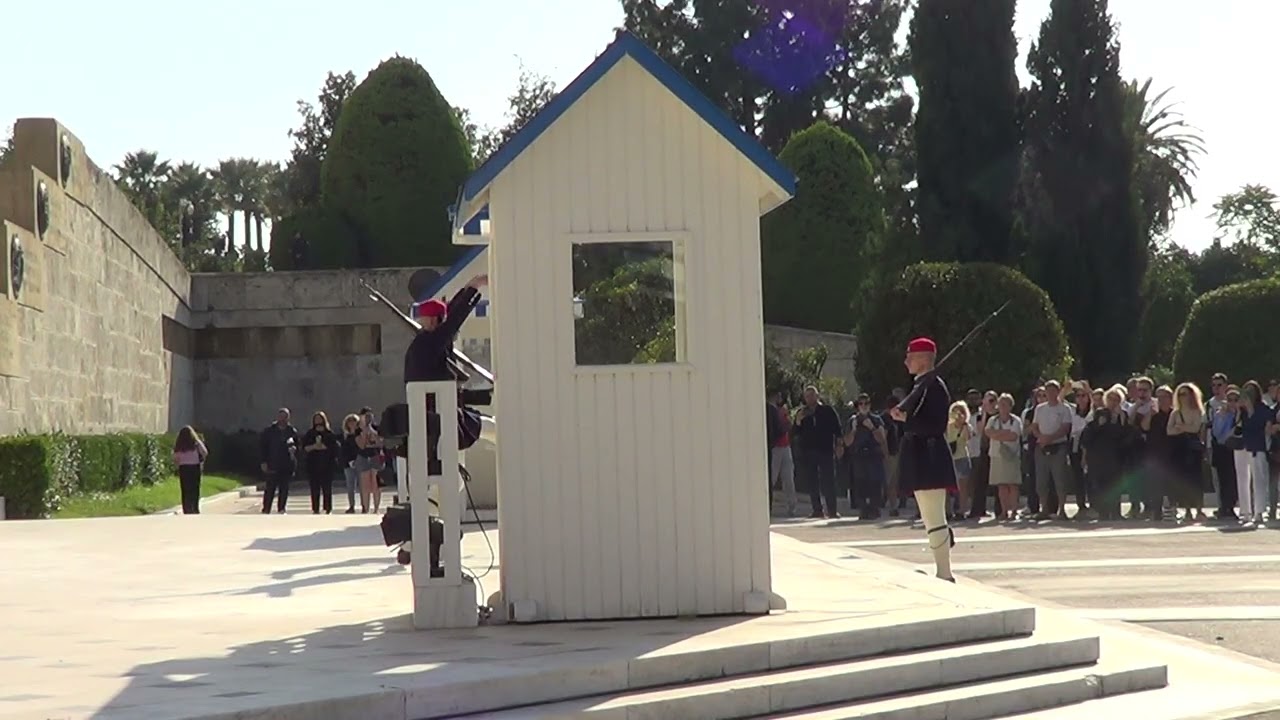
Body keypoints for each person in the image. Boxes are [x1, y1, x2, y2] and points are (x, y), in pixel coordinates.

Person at [889, 337, 957, 582]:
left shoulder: (933, 386)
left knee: (934, 516)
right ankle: (942, 568)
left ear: (924, 359)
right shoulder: (922, 385)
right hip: (921, 456)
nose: (906, 360)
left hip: (929, 455)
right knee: (929, 517)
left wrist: (905, 420)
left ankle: (945, 572)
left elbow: (935, 425)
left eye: (911, 356)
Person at [793, 385, 842, 519]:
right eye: (807, 396)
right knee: (812, 481)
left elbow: (837, 429)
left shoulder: (827, 411)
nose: (809, 399)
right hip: (809, 451)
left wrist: (839, 444)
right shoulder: (802, 413)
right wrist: (798, 421)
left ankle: (832, 510)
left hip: (825, 450)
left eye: (812, 395)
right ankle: (817, 509)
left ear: (817, 396)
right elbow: (795, 432)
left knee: (829, 480)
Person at [842, 393, 887, 520]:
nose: (863, 406)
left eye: (866, 403)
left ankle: (874, 508)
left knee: (875, 483)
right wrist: (854, 430)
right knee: (859, 484)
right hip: (858, 456)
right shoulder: (852, 420)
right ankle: (863, 509)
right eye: (861, 404)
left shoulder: (876, 419)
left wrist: (872, 427)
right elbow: (847, 442)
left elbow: (882, 439)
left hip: (873, 455)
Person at [1167, 382, 1207, 523]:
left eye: (1186, 394)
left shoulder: (1198, 411)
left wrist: (1181, 427)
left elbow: (1196, 428)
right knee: (1184, 480)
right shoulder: (1175, 412)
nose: (1183, 397)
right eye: (1181, 394)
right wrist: (1185, 427)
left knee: (1196, 480)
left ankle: (1199, 509)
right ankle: (1188, 510)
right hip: (1180, 449)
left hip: (1194, 449)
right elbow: (1169, 431)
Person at [985, 394, 1023, 522]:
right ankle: (1004, 511)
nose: (1002, 407)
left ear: (1010, 406)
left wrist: (997, 435)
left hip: (1011, 455)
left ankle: (1014, 511)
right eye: (1000, 404)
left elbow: (1013, 436)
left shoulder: (1016, 421)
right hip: (996, 455)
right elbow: (988, 433)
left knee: (1013, 485)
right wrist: (1003, 434)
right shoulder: (993, 420)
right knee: (1001, 485)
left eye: (1005, 404)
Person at [259, 408, 299, 514]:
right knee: (270, 488)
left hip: (286, 464)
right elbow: (263, 447)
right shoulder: (269, 431)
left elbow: (297, 447)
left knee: (284, 488)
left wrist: (294, 451)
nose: (283, 419)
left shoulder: (292, 431)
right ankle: (266, 508)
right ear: (277, 417)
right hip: (272, 463)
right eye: (281, 416)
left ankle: (281, 508)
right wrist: (263, 461)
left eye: (285, 417)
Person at [301, 411, 339, 515]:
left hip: (327, 464)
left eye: (320, 418)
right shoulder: (310, 433)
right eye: (316, 419)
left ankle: (327, 508)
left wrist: (323, 447)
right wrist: (314, 447)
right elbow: (304, 447)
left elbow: (334, 448)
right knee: (314, 487)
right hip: (313, 464)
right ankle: (315, 508)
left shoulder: (329, 434)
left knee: (327, 488)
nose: (318, 421)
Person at [767, 391, 797, 517]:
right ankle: (768, 505)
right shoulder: (771, 410)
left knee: (788, 478)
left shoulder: (782, 410)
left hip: (785, 446)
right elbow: (778, 429)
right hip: (776, 447)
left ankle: (792, 506)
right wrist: (787, 426)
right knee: (772, 478)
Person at [172, 426, 208, 515]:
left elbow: (175, 458)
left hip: (183, 468)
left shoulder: (179, 445)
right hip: (195, 467)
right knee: (195, 488)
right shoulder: (196, 443)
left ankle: (186, 508)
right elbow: (204, 452)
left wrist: (179, 463)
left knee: (185, 489)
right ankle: (194, 507)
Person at [354, 406, 384, 514]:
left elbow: (380, 443)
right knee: (365, 484)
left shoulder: (377, 428)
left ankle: (376, 508)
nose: (367, 418)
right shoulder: (358, 430)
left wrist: (372, 431)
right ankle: (365, 508)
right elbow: (361, 445)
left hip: (375, 456)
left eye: (369, 415)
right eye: (365, 416)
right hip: (363, 456)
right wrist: (365, 433)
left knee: (376, 483)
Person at [340, 414, 362, 514]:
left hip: (361, 462)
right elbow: (343, 450)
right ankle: (351, 505)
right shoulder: (345, 436)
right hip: (348, 463)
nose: (352, 424)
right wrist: (349, 461)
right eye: (350, 422)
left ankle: (364, 505)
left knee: (362, 485)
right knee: (350, 486)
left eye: (354, 422)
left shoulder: (360, 434)